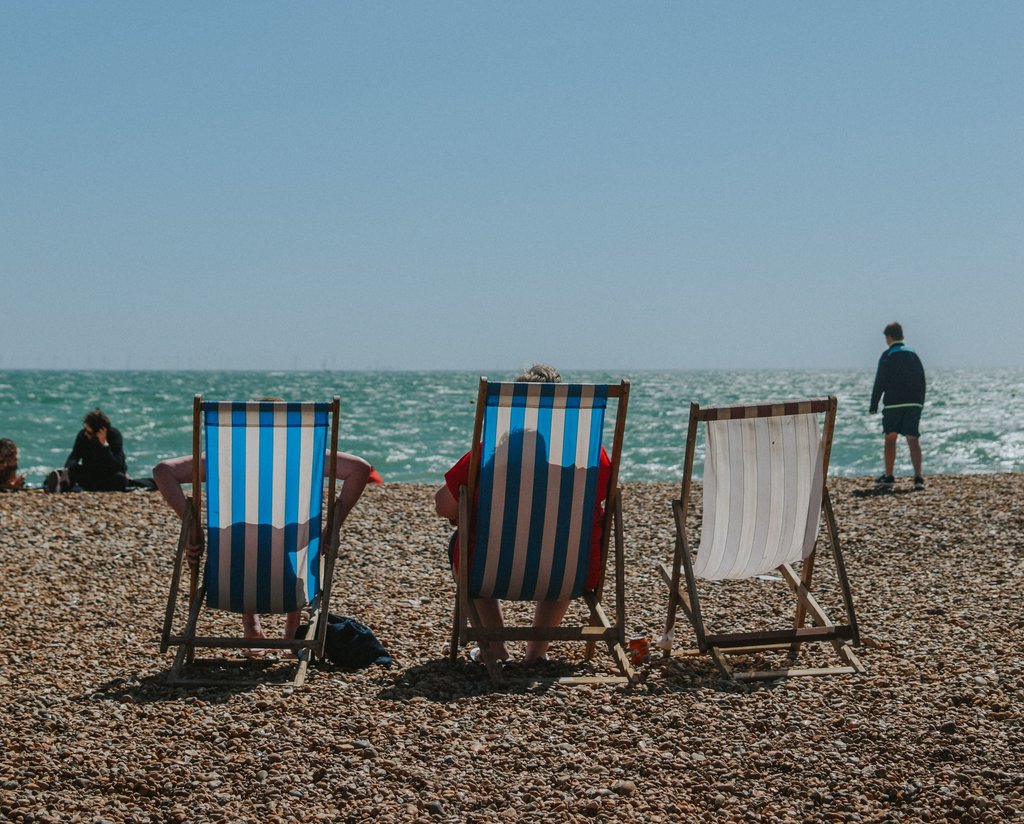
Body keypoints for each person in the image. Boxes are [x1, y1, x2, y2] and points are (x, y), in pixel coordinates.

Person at [434, 363, 611, 665]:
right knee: (562, 542)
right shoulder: (592, 458)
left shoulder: (485, 458)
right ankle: (537, 652)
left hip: (490, 571)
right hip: (571, 573)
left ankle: (495, 648)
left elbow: (444, 506)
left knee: (462, 543)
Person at [153, 447, 375, 655]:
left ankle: (251, 628)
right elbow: (360, 468)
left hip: (231, 556)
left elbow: (162, 471)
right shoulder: (304, 452)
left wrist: (192, 527)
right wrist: (331, 529)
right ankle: (291, 634)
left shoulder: (227, 453)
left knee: (246, 535)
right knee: (290, 539)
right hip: (291, 546)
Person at [870, 322, 926, 491]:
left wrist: (874, 403)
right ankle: (918, 477)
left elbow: (880, 381)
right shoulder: (913, 354)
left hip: (894, 403)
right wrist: (920, 402)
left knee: (890, 438)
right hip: (914, 402)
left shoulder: (888, 355)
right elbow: (922, 379)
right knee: (913, 439)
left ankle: (889, 476)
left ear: (889, 337)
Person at [47, 408, 129, 492]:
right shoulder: (82, 435)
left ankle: (67, 485)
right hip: (90, 473)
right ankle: (61, 485)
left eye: (89, 432)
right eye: (85, 430)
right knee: (73, 470)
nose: (85, 433)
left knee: (120, 479)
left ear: (100, 432)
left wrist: (104, 446)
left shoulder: (114, 436)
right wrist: (67, 469)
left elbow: (116, 465)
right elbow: (74, 455)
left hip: (109, 474)